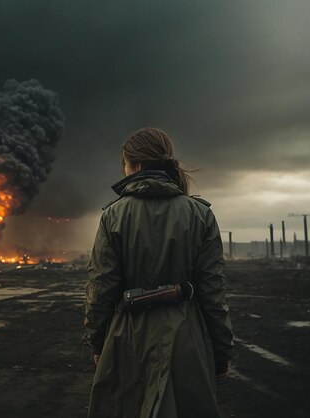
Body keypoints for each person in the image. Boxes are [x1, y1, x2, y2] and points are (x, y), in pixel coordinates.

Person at [83, 127, 234, 418]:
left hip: (126, 338)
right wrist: (221, 349)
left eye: (125, 164)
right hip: (186, 338)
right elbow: (213, 291)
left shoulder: (113, 215)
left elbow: (101, 288)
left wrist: (98, 342)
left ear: (136, 165)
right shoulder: (200, 214)